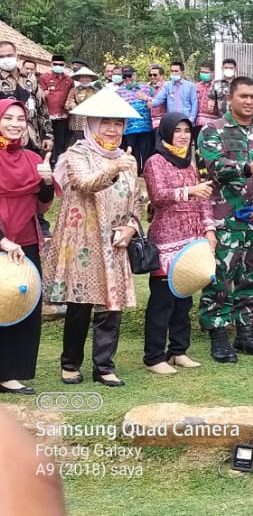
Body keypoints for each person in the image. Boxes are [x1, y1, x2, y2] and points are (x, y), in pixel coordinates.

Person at [45, 90, 145, 387]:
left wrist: (131, 228)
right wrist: (114, 168)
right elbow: (85, 183)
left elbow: (136, 201)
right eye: (106, 123)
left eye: (118, 124)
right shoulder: (77, 153)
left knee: (111, 307)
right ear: (91, 123)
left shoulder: (127, 159)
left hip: (115, 242)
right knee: (81, 305)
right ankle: (70, 363)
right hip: (84, 241)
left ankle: (104, 366)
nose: (113, 129)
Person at [196, 77, 253, 362]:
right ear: (230, 99)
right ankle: (219, 335)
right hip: (226, 219)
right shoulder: (213, 130)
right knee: (220, 278)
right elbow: (213, 165)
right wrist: (247, 168)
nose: (249, 102)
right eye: (243, 96)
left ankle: (246, 335)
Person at [141, 113, 216, 374]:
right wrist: (189, 192)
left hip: (192, 238)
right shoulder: (155, 161)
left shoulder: (192, 162)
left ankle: (178, 351)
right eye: (177, 130)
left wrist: (209, 229)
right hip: (166, 238)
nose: (183, 135)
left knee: (184, 298)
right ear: (166, 133)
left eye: (187, 130)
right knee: (163, 301)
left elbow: (205, 198)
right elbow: (158, 196)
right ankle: (153, 357)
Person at [0, 98, 54, 395]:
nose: (15, 124)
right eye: (8, 118)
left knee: (22, 302)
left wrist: (46, 183)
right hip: (2, 239)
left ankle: (10, 372)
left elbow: (43, 206)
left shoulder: (34, 159)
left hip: (27, 239)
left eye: (20, 119)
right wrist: (3, 241)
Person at [116, 67, 154, 171]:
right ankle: (135, 171)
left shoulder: (147, 88)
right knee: (132, 150)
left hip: (146, 125)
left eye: (130, 75)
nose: (127, 78)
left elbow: (157, 100)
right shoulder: (118, 92)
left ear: (135, 75)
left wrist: (147, 99)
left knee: (146, 150)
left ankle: (147, 171)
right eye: (125, 76)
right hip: (129, 127)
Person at [38, 55, 73, 161]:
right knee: (46, 141)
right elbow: (39, 95)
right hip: (46, 117)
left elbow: (72, 95)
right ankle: (44, 162)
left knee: (60, 142)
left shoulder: (69, 80)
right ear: (51, 64)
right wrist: (44, 94)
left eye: (61, 65)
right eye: (56, 64)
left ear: (64, 65)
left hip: (63, 116)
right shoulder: (44, 77)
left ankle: (57, 164)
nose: (58, 66)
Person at [152, 61, 199, 126]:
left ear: (182, 73)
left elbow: (194, 104)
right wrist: (148, 101)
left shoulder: (190, 86)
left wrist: (191, 119)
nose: (174, 73)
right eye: (172, 71)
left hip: (186, 120)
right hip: (171, 121)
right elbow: (158, 99)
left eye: (176, 71)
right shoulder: (167, 85)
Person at [64, 67, 99, 143]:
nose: (85, 79)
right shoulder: (74, 90)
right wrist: (74, 106)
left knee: (92, 142)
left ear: (91, 79)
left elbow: (99, 104)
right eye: (82, 77)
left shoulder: (96, 91)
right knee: (79, 142)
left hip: (92, 120)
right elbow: (68, 103)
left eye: (87, 77)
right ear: (79, 79)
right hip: (78, 121)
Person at [193, 62, 220, 135]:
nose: (203, 74)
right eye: (202, 72)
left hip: (213, 123)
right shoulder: (196, 86)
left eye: (206, 72)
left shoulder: (218, 86)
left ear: (213, 73)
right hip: (198, 123)